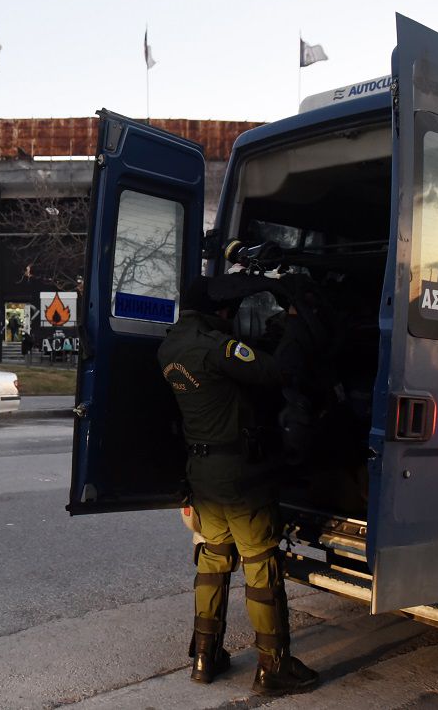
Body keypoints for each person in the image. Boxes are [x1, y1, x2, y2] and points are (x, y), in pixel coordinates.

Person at [157, 275, 319, 696]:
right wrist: (297, 321)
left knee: (212, 558)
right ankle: (274, 666)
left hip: (202, 472)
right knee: (260, 564)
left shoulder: (169, 347)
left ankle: (204, 657)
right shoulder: (219, 348)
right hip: (240, 476)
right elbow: (277, 372)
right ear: (219, 312)